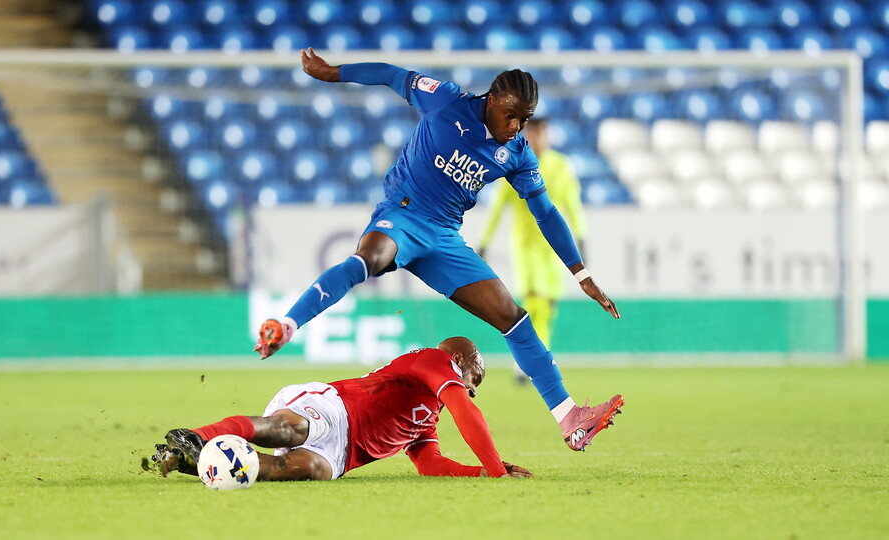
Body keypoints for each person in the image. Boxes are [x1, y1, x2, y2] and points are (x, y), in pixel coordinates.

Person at [255, 48, 623, 452]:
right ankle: (287, 325)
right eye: (511, 115)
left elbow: (547, 213)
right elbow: (392, 74)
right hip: (404, 215)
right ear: (493, 100)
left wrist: (581, 274)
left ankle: (570, 418)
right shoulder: (446, 100)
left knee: (513, 317)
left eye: (526, 119)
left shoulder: (517, 154)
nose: (517, 127)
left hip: (444, 239)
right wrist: (333, 73)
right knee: (367, 260)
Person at [152, 337, 534, 481]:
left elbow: (429, 464)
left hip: (341, 454)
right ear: (458, 361)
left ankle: (195, 463)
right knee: (288, 430)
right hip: (335, 407)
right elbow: (466, 410)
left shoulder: (428, 416)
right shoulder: (433, 361)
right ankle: (197, 436)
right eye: (473, 379)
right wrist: (499, 470)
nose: (472, 391)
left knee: (309, 470)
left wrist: (481, 472)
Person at [478, 118, 587, 379]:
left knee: (548, 305)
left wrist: (581, 237)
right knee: (534, 299)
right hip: (526, 245)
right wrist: (485, 242)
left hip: (554, 248)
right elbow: (497, 208)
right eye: (536, 133)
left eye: (544, 134)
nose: (540, 139)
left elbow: (573, 203)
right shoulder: (515, 163)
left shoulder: (561, 167)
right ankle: (525, 359)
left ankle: (541, 355)